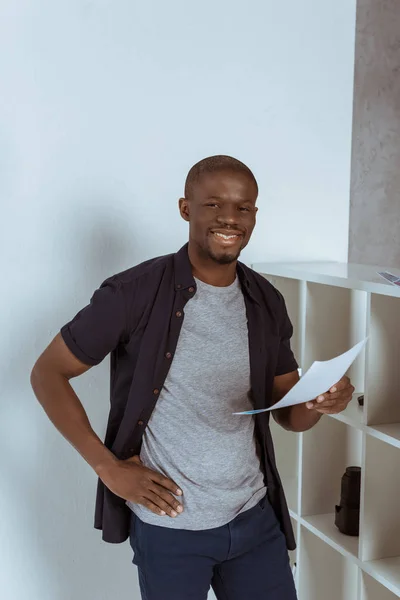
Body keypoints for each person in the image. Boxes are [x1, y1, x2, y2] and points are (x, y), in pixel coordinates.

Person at [31, 155, 354, 600]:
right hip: (171, 527)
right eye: (213, 204)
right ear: (186, 208)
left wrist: (320, 401)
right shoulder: (132, 292)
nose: (229, 218)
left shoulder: (266, 300)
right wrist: (108, 468)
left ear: (254, 216)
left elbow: (289, 415)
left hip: (254, 518)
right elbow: (48, 373)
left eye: (243, 208)